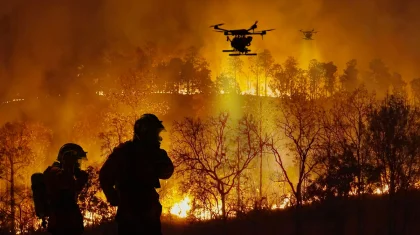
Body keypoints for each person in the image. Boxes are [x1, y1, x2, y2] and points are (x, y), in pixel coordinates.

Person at [99, 113, 174, 235]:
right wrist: (112, 196)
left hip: (148, 213)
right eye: (155, 134)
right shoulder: (123, 152)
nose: (158, 138)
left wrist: (159, 158)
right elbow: (105, 175)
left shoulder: (155, 153)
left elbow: (167, 172)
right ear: (145, 133)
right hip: (130, 212)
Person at [43, 143, 89, 235]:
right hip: (62, 223)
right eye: (77, 161)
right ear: (69, 159)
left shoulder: (59, 172)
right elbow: (68, 186)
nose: (79, 164)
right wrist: (77, 177)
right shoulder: (55, 172)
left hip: (68, 223)